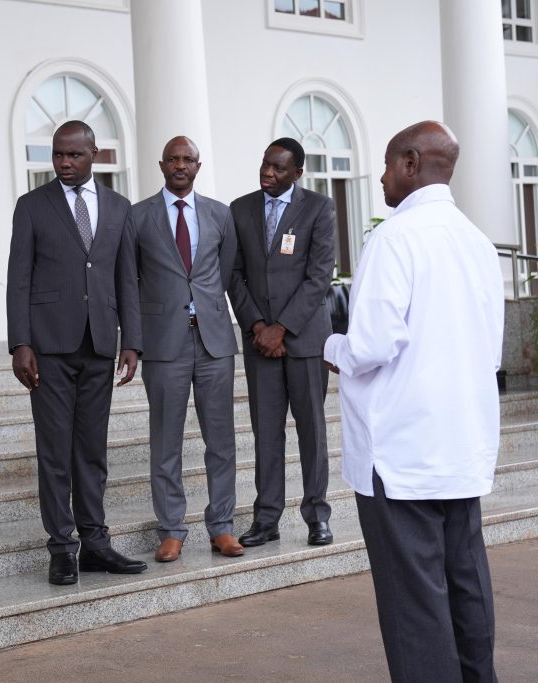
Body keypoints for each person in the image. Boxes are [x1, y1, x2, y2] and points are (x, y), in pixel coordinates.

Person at [324, 121, 503, 682]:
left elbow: (372, 345)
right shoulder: (476, 240)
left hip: (399, 454)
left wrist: (333, 346)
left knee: (414, 604)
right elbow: (490, 348)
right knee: (465, 584)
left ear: (408, 162)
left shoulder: (394, 238)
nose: (378, 179)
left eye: (383, 166)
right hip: (462, 446)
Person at [7, 120, 146, 586]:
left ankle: (96, 542)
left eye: (74, 155)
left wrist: (131, 341)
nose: (65, 163)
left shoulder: (119, 208)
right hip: (47, 347)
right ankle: (62, 547)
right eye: (58, 155)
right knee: (55, 452)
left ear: (94, 154)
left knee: (92, 449)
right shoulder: (31, 207)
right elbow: (19, 278)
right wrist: (20, 343)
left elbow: (126, 278)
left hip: (100, 344)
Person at [127, 136, 244, 561]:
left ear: (198, 165)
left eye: (188, 159)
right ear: (161, 165)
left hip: (214, 340)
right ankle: (172, 529)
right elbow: (129, 282)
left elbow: (225, 271)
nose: (180, 165)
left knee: (222, 440)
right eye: (173, 159)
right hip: (163, 344)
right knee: (165, 442)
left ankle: (223, 526)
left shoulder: (220, 214)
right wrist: (132, 342)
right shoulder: (137, 217)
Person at [227, 137, 335, 547]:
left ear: (297, 172)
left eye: (278, 168)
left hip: (304, 340)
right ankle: (266, 519)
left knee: (312, 432)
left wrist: (282, 328)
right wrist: (257, 325)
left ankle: (317, 517)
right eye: (264, 165)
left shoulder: (319, 208)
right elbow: (233, 275)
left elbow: (319, 276)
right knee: (266, 433)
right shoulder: (240, 209)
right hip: (260, 345)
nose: (268, 174)